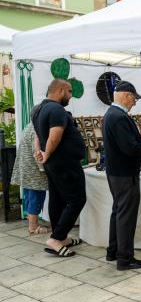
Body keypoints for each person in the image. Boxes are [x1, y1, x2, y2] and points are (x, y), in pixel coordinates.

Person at [103, 81, 141, 270]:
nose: (134, 103)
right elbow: (129, 148)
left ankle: (113, 251)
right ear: (126, 95)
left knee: (118, 212)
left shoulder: (112, 114)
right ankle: (125, 259)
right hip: (125, 174)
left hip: (116, 172)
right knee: (126, 216)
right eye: (134, 98)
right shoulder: (118, 117)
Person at [32, 79, 86, 257]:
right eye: (69, 92)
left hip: (54, 164)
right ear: (61, 90)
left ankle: (61, 237)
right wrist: (46, 153)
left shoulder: (38, 109)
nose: (70, 96)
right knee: (77, 200)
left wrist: (41, 152)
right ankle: (56, 238)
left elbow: (37, 135)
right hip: (64, 164)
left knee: (57, 200)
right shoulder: (56, 109)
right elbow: (54, 136)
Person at [11, 118, 49, 236]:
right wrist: (42, 168)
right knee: (36, 195)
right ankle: (33, 226)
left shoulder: (29, 126)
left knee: (29, 195)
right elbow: (36, 150)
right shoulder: (36, 129)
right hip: (33, 169)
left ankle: (32, 222)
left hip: (26, 167)